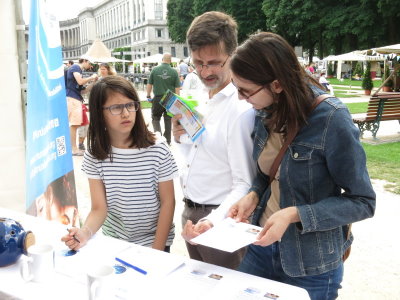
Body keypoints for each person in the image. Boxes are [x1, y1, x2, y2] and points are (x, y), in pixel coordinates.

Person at [225, 32, 376, 299]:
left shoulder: (331, 119)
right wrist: (253, 194)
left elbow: (363, 202)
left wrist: (294, 214)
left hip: (311, 263)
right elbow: (267, 174)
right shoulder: (264, 112)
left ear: (277, 84)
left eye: (245, 90)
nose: (240, 98)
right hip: (261, 245)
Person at [174, 11, 255, 269]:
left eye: (214, 62)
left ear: (233, 55)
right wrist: (182, 139)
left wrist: (213, 220)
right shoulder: (202, 95)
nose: (205, 71)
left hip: (220, 218)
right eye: (197, 62)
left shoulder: (241, 109)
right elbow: (200, 156)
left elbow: (245, 183)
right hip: (191, 212)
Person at [61, 76, 178, 252]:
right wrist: (84, 233)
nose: (125, 113)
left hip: (155, 242)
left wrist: (157, 250)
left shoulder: (158, 150)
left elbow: (168, 202)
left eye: (130, 105)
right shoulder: (95, 154)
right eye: (116, 107)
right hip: (115, 241)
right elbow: (99, 208)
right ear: (99, 113)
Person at [146, 53, 181, 145]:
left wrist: (148, 95)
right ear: (170, 60)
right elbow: (177, 88)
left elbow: (149, 84)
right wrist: (177, 101)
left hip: (158, 97)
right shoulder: (174, 72)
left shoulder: (155, 70)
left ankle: (159, 138)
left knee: (155, 118)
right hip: (170, 98)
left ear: (162, 59)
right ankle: (168, 140)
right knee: (168, 119)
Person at [66, 58, 98, 155]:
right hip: (72, 99)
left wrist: (93, 82)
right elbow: (80, 82)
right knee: (74, 125)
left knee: (75, 125)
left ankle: (74, 148)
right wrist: (92, 77)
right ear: (85, 61)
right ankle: (74, 149)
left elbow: (83, 91)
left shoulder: (78, 70)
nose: (91, 66)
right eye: (90, 63)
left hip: (75, 98)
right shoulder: (76, 67)